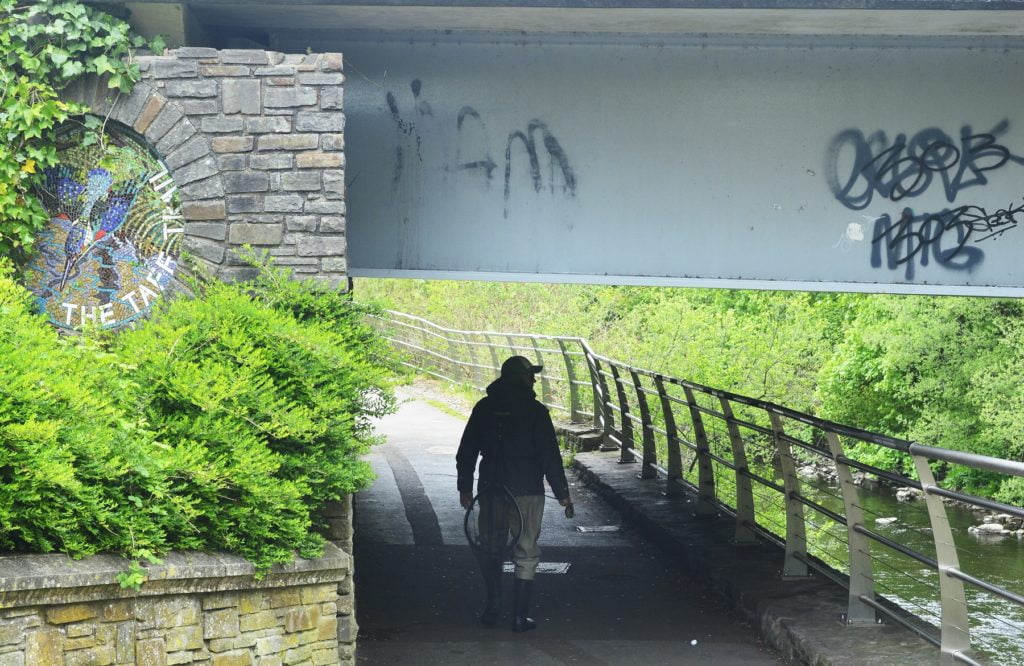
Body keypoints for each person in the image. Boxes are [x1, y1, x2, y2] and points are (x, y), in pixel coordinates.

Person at [457, 355, 573, 632]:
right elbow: (549, 456)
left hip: (491, 487)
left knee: (490, 545)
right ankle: (519, 617)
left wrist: (465, 486)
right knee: (526, 549)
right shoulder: (535, 411)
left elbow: (467, 449)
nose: (533, 379)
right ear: (518, 377)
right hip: (527, 489)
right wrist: (562, 494)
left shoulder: (484, 407)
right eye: (529, 374)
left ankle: (493, 606)